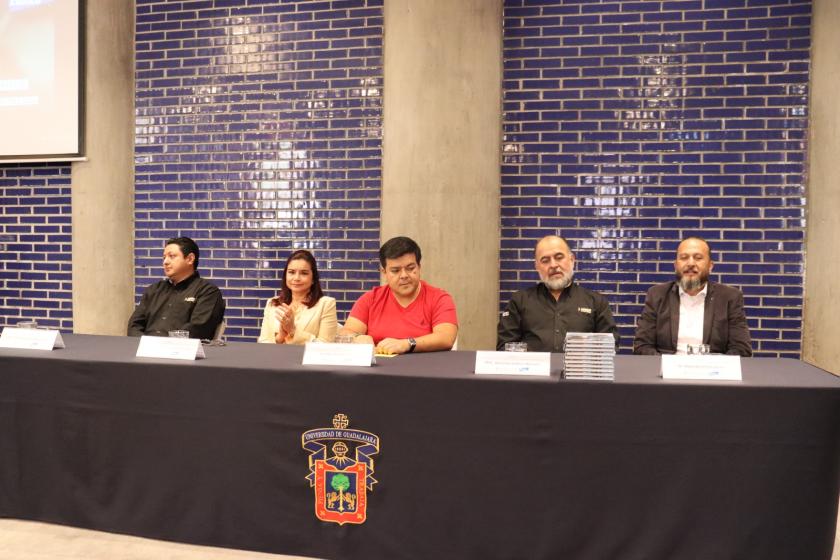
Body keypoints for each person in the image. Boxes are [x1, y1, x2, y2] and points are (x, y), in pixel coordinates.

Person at [633, 236, 752, 356]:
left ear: (710, 266)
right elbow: (642, 346)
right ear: (675, 265)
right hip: (667, 371)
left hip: (712, 371)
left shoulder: (729, 297)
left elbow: (741, 349)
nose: (690, 263)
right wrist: (668, 366)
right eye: (684, 258)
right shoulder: (657, 295)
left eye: (698, 258)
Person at [338, 236, 458, 354]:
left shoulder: (439, 298)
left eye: (410, 268)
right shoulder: (370, 299)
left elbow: (446, 338)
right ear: (384, 273)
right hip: (378, 370)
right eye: (395, 271)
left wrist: (407, 344)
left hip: (425, 370)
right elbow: (345, 333)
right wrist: (357, 337)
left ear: (419, 267)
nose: (404, 275)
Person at [497, 235, 617, 352]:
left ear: (572, 260)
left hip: (579, 371)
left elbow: (609, 349)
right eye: (545, 260)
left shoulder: (596, 303)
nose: (553, 265)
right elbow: (505, 347)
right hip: (532, 371)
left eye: (559, 257)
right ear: (537, 266)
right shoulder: (519, 301)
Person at [127, 237, 225, 339]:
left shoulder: (207, 292)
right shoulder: (154, 290)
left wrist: (162, 345)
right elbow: (134, 325)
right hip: (146, 349)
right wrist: (144, 344)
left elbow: (198, 329)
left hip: (181, 351)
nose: (165, 262)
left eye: (172, 256)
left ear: (190, 259)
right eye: (164, 257)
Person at [257, 249, 337, 344]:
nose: (296, 278)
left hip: (308, 359)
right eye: (291, 272)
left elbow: (325, 347)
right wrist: (280, 337)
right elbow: (262, 342)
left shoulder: (326, 304)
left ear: (313, 279)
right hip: (276, 358)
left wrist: (293, 331)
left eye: (304, 273)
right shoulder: (272, 303)